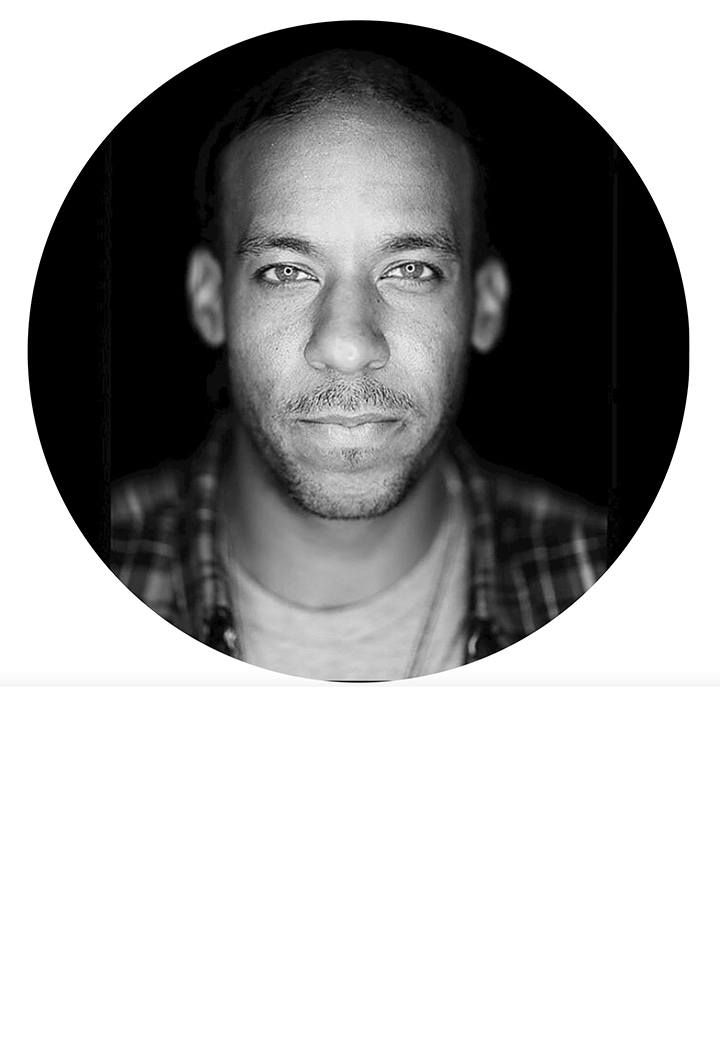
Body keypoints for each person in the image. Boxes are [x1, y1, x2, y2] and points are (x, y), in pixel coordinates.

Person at [110, 49, 606, 681]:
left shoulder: (607, 580)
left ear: (484, 307)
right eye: (286, 272)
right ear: (211, 302)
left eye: (411, 270)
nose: (347, 346)